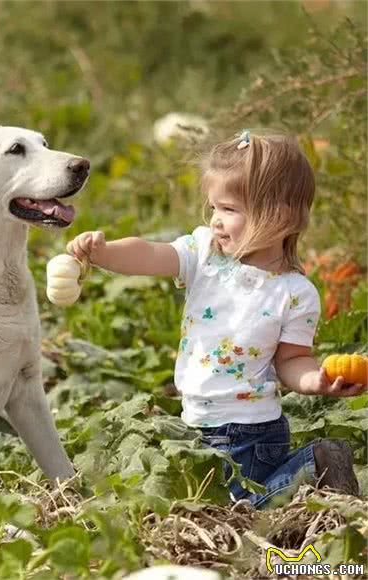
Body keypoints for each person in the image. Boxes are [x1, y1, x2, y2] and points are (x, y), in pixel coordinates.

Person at [66, 130, 365, 508]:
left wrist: (315, 380)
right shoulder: (203, 253)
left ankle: (312, 465)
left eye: (229, 209)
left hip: (251, 433)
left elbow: (291, 361)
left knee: (229, 510)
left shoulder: (294, 292)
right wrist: (105, 253)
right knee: (212, 502)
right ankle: (303, 470)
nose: (217, 221)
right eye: (214, 209)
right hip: (197, 422)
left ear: (280, 215)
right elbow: (151, 255)